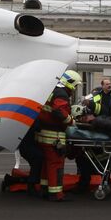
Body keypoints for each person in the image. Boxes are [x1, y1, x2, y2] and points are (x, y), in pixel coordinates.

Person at [36, 69, 82, 201]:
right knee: (56, 164)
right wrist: (71, 121)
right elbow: (58, 111)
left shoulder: (53, 90)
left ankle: (45, 189)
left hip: (43, 134)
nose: (74, 89)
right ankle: (56, 194)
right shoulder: (61, 94)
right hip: (54, 136)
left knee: (47, 164)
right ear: (70, 83)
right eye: (75, 86)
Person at [89, 78, 111, 171]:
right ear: (102, 86)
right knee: (104, 144)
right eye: (107, 84)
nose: (109, 85)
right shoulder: (97, 95)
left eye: (110, 84)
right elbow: (93, 107)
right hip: (102, 122)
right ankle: (102, 164)